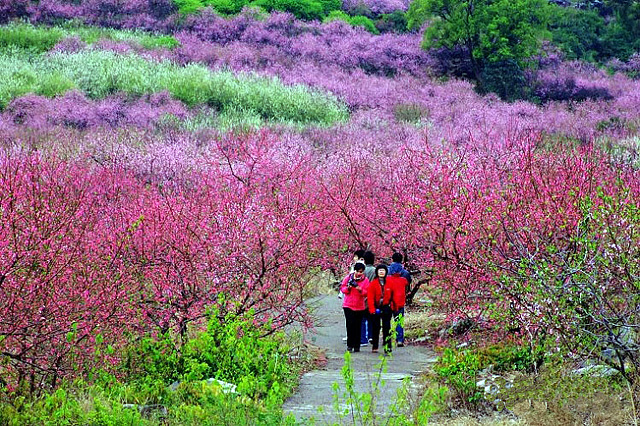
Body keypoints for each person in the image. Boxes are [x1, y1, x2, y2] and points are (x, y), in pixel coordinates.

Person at [340, 262, 369, 353]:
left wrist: (360, 289)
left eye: (361, 272)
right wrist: (348, 288)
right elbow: (342, 289)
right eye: (357, 271)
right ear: (354, 271)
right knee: (350, 325)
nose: (359, 273)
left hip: (360, 306)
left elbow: (367, 292)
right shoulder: (348, 278)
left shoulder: (365, 280)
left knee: (358, 326)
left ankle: (357, 345)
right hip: (348, 305)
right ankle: (350, 345)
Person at [368, 264, 394, 354]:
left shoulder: (390, 283)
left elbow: (393, 295)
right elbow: (370, 297)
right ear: (377, 272)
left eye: (383, 270)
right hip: (376, 307)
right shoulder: (373, 283)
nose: (381, 272)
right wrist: (372, 309)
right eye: (380, 270)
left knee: (387, 327)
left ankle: (388, 346)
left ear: (386, 272)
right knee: (376, 327)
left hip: (386, 307)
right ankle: (375, 345)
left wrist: (392, 306)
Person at [389, 253, 410, 347]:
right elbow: (408, 283)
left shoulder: (387, 271)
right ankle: (400, 340)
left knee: (386, 321)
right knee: (399, 320)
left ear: (392, 259)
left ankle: (387, 338)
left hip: (388, 300)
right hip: (400, 300)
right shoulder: (405, 274)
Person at [360, 250, 376, 346]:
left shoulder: (362, 270)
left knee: (362, 319)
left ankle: (363, 339)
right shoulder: (375, 271)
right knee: (372, 319)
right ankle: (371, 336)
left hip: (363, 297)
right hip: (373, 297)